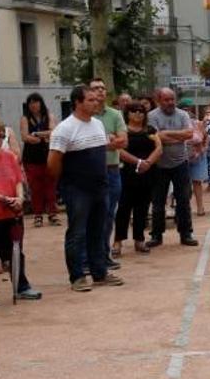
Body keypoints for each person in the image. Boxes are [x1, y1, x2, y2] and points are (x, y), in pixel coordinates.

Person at [48, 85, 124, 291]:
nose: (96, 102)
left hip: (100, 187)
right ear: (77, 103)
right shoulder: (64, 129)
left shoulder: (98, 125)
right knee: (77, 233)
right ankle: (77, 277)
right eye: (90, 100)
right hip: (77, 189)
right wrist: (66, 185)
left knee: (98, 231)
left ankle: (99, 272)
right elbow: (53, 162)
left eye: (96, 99)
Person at [0, 120, 42, 306]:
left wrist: (19, 198)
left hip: (12, 213)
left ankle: (21, 286)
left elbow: (18, 181)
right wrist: (3, 198)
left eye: (1, 136)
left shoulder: (9, 157)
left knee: (15, 252)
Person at [147, 88, 199, 248]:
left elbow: (189, 134)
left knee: (183, 200)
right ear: (158, 100)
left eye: (172, 99)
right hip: (159, 165)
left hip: (180, 163)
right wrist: (177, 135)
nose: (170, 102)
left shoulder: (183, 115)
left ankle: (186, 233)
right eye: (166, 100)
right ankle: (156, 235)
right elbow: (155, 137)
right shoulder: (152, 116)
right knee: (158, 202)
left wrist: (165, 134)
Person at [88, 78, 128, 270]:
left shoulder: (115, 114)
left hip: (112, 170)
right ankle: (88, 258)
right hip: (91, 172)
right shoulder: (85, 116)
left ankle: (103, 254)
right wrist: (109, 140)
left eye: (103, 88)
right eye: (96, 89)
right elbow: (86, 144)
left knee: (109, 214)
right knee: (91, 215)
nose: (100, 92)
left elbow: (123, 142)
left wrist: (105, 142)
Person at [114, 102, 162, 255]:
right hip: (126, 174)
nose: (138, 114)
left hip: (147, 174)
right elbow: (119, 150)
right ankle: (118, 241)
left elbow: (159, 148)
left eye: (141, 111)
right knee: (123, 208)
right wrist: (138, 162)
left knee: (142, 208)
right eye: (134, 111)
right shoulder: (122, 131)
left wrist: (147, 163)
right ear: (127, 114)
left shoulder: (150, 130)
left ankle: (139, 240)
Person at [19, 93, 60, 227]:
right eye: (31, 103)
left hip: (48, 155)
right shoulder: (25, 118)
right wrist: (43, 136)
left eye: (36, 102)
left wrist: (36, 134)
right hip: (31, 158)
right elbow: (25, 137)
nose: (34, 105)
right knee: (35, 187)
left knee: (50, 185)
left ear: (41, 103)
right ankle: (38, 215)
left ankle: (52, 214)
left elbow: (54, 132)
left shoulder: (49, 116)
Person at [189, 113, 208, 217]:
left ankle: (200, 207)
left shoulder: (198, 124)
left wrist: (203, 149)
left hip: (197, 157)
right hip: (182, 157)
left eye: (188, 109)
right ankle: (185, 207)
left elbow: (206, 137)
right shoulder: (179, 123)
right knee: (184, 184)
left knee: (197, 182)